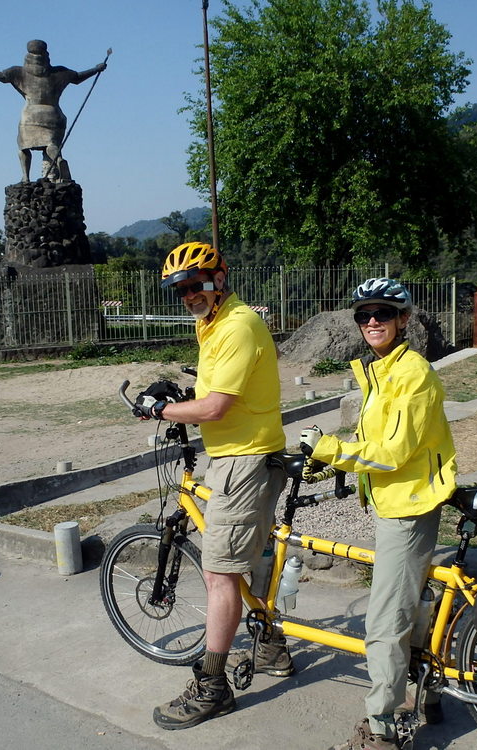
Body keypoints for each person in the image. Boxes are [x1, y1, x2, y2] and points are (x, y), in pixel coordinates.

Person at [132, 242, 293, 730]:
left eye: (194, 284)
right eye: (179, 289)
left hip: (242, 462)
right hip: (242, 454)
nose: (187, 294)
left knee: (219, 574)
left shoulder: (237, 324)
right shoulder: (213, 324)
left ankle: (212, 686)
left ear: (218, 279)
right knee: (252, 554)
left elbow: (216, 407)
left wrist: (158, 409)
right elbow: (215, 392)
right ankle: (270, 646)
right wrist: (182, 395)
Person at [298, 278, 457, 750]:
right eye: (364, 315)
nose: (372, 322)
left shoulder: (412, 375)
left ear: (404, 319)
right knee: (411, 604)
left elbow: (391, 454)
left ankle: (382, 728)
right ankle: (429, 693)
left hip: (407, 508)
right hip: (397, 501)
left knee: (385, 622)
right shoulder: (383, 370)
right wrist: (327, 464)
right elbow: (377, 445)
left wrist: (329, 449)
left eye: (383, 314)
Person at [0, 40, 107, 182]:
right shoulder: (60, 72)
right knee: (51, 144)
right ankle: (58, 160)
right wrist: (96, 69)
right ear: (46, 54)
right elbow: (77, 78)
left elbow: (2, 77)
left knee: (24, 147)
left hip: (31, 116)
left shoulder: (18, 72)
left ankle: (25, 177)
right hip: (54, 115)